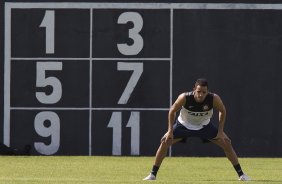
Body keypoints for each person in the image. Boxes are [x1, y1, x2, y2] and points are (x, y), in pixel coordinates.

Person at [143, 78, 250, 181]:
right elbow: (172, 110)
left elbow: (222, 110)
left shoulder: (214, 98)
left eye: (204, 92)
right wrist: (170, 131)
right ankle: (152, 175)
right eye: (198, 91)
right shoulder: (184, 97)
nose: (201, 95)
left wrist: (221, 132)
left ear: (207, 91)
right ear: (194, 89)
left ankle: (241, 174)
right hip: (183, 125)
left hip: (204, 126)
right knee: (164, 142)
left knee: (226, 143)